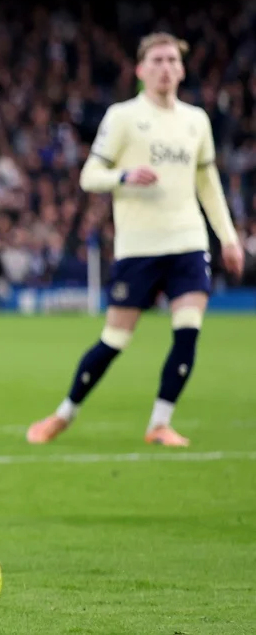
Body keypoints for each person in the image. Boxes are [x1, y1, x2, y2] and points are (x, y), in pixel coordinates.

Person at [27, 32, 244, 447]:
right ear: (141, 71)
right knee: (115, 339)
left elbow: (208, 182)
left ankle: (160, 423)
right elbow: (89, 176)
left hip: (188, 240)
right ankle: (63, 414)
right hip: (139, 246)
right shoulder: (123, 117)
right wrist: (124, 176)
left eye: (171, 61)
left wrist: (228, 238)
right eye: (157, 61)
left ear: (181, 70)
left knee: (188, 330)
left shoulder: (196, 120)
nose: (165, 68)